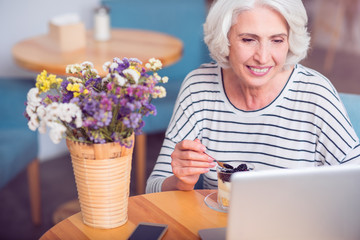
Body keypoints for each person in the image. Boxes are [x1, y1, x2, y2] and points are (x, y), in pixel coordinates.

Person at [146, 0, 360, 193]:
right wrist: (180, 181)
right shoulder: (199, 87)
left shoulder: (315, 93)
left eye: (276, 40)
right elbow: (154, 188)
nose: (263, 57)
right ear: (225, 39)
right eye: (249, 40)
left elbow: (355, 182)